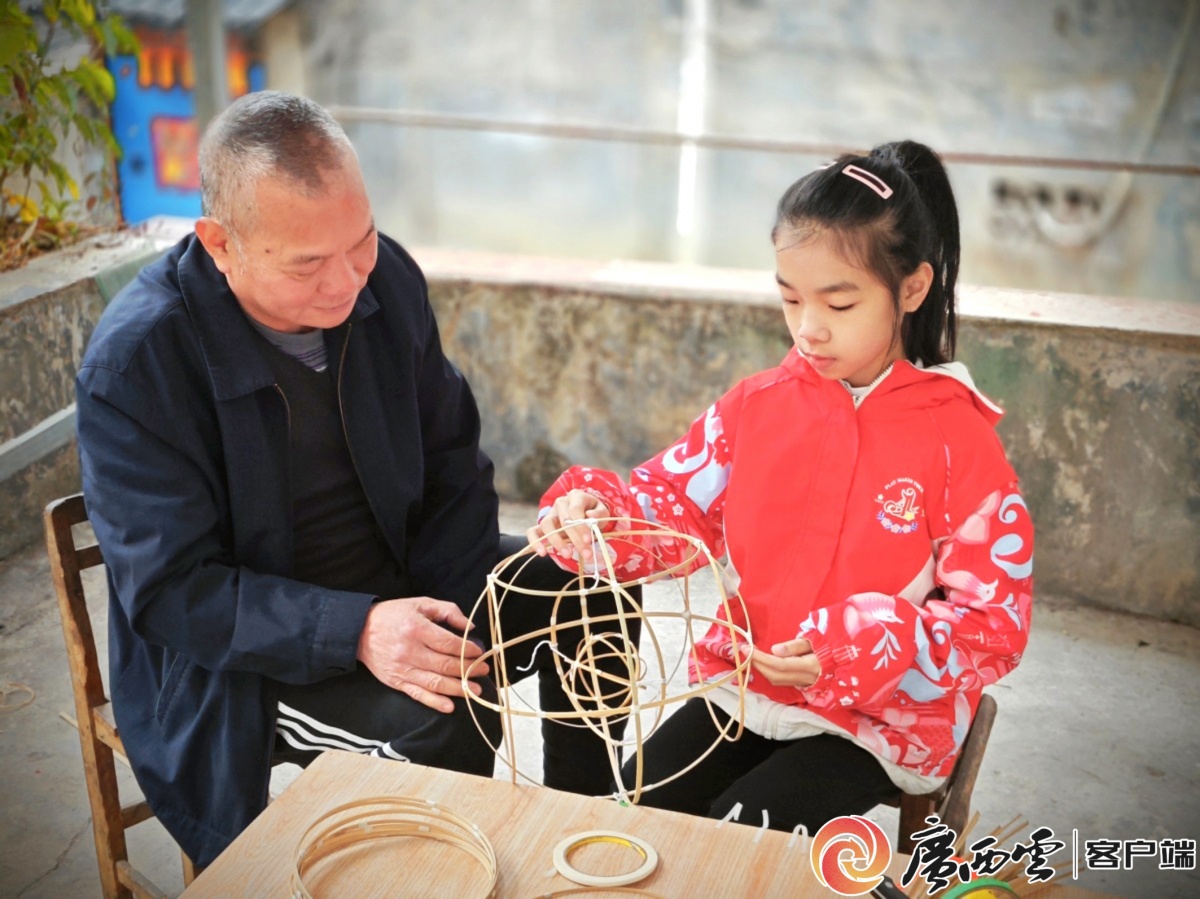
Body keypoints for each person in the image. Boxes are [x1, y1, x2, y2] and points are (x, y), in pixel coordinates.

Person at [76, 91, 635, 867]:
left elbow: (451, 461)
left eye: (361, 241)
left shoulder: (387, 280)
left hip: (403, 574)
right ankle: (444, 877)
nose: (347, 283)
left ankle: (582, 837)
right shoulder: (137, 367)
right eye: (307, 262)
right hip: (249, 661)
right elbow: (174, 592)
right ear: (220, 244)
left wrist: (454, 609)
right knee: (440, 722)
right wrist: (362, 630)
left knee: (590, 582)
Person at [529, 140, 1034, 838]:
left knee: (741, 835)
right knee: (634, 818)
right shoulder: (758, 406)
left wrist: (865, 642)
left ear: (911, 288)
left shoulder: (960, 441)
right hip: (747, 685)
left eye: (840, 300)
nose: (809, 327)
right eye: (791, 297)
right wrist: (601, 516)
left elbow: (994, 623)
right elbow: (673, 503)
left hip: (877, 715)